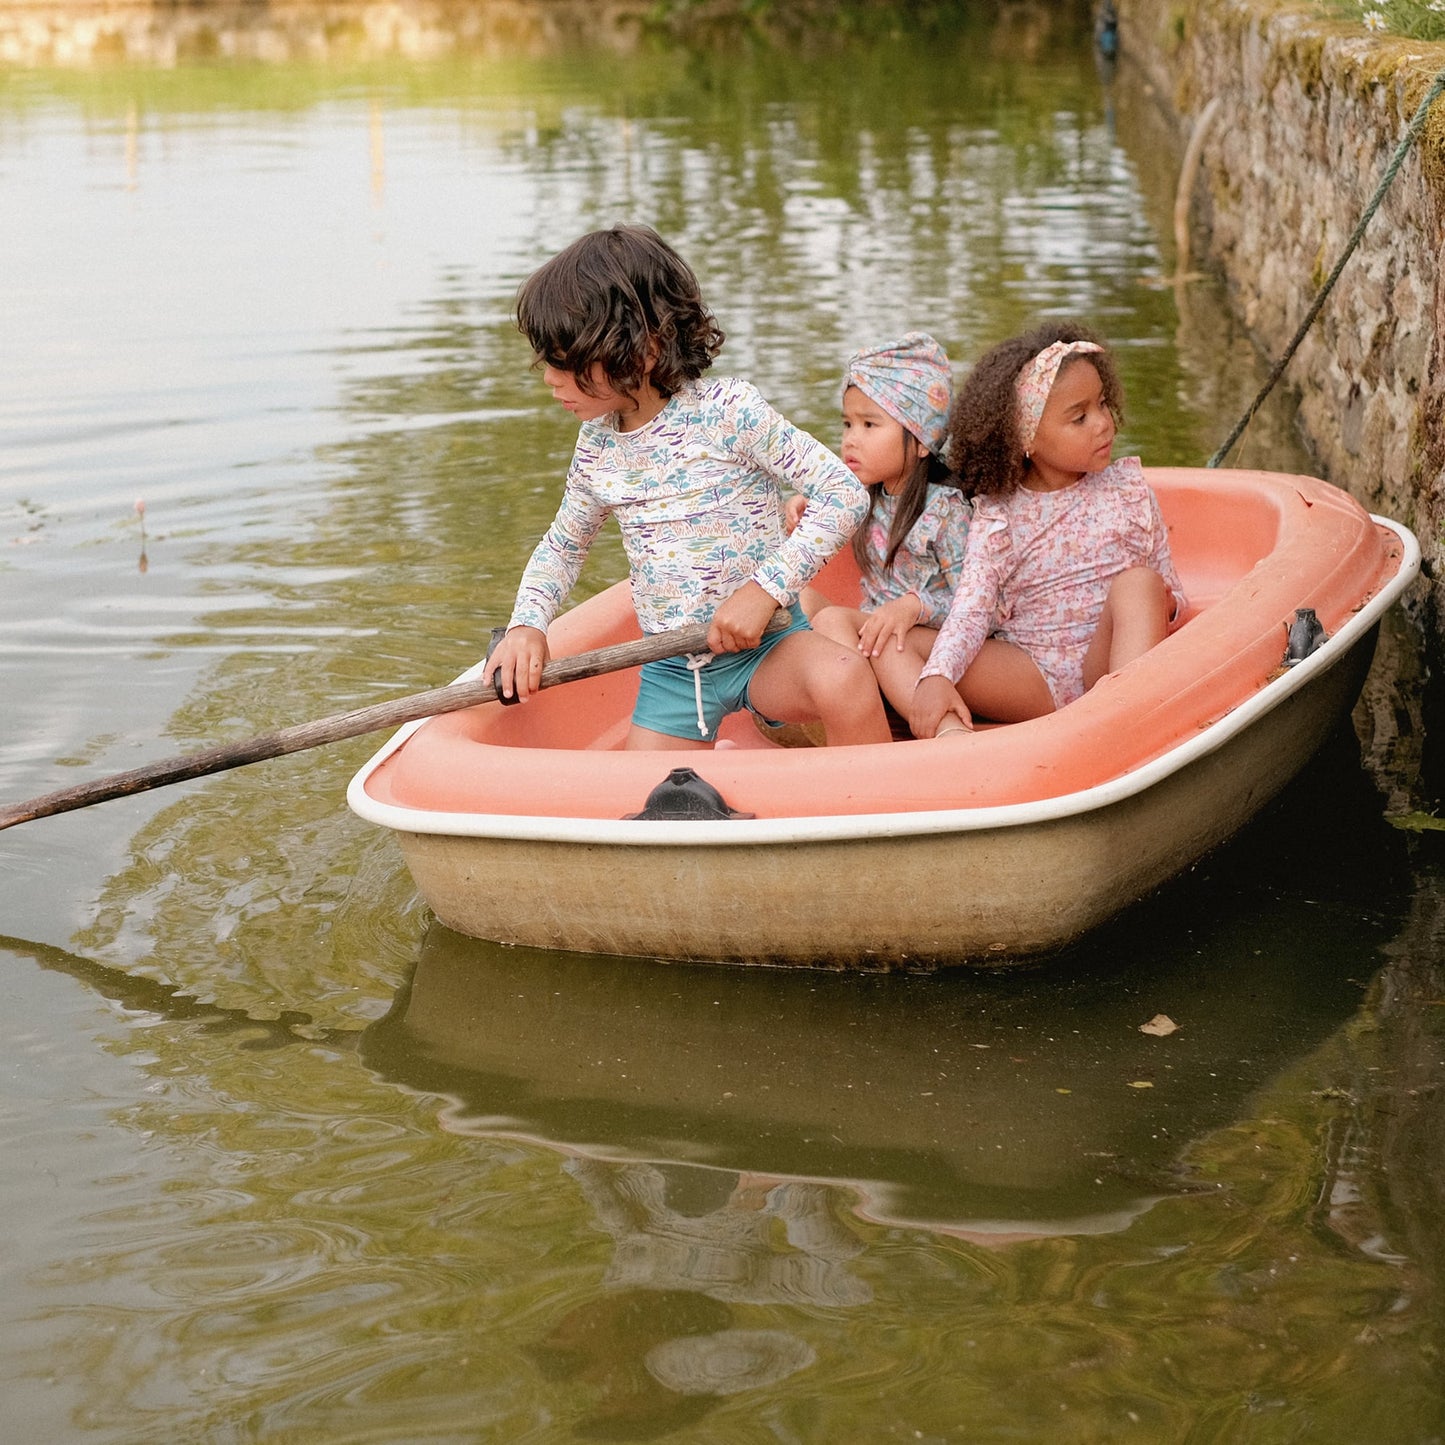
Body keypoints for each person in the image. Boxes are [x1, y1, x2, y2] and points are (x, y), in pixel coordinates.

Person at [485, 224, 892, 749]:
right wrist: (526, 625)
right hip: (675, 673)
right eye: (547, 361)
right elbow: (563, 547)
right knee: (636, 807)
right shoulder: (597, 449)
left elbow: (843, 492)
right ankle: (750, 748)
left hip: (767, 648)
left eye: (565, 361)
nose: (549, 379)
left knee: (845, 676)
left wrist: (763, 591)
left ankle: (868, 804)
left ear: (644, 348)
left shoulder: (729, 412)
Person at [910, 320, 1186, 740]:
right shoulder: (999, 517)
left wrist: (1165, 604)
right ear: (1026, 438)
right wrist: (938, 675)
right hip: (1031, 674)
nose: (1104, 423)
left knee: (1140, 583)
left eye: (1103, 404)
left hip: (1108, 664)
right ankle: (949, 738)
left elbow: (1172, 592)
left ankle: (1127, 729)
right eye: (1079, 417)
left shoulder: (1128, 492)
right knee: (906, 647)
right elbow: (971, 611)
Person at [786, 332, 970, 717]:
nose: (851, 440)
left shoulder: (946, 510)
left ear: (921, 440)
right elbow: (831, 500)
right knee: (797, 601)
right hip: (875, 634)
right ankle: (847, 704)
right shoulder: (868, 493)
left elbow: (978, 604)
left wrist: (912, 606)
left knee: (834, 619)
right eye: (848, 424)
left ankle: (866, 714)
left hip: (926, 644)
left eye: (870, 425)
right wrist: (807, 505)